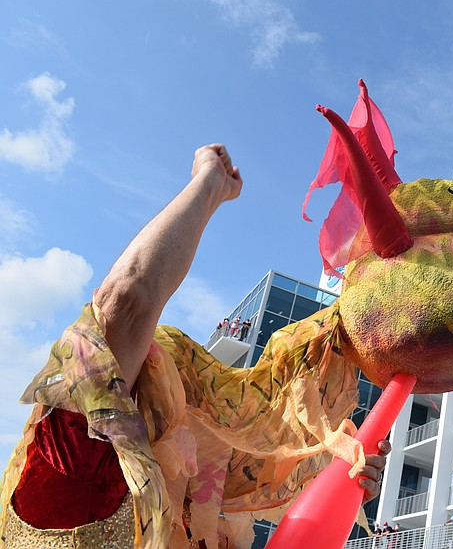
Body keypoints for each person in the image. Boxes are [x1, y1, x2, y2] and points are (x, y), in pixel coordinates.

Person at [0, 144, 389, 548]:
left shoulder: (89, 484)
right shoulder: (80, 479)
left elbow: (127, 304)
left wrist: (345, 486)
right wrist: (208, 185)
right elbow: (125, 302)